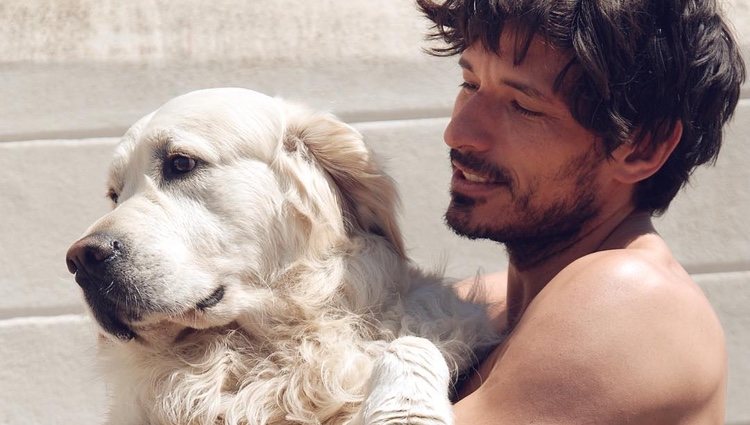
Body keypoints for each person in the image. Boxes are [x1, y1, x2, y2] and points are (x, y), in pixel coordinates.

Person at [414, 0, 746, 423]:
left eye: (523, 106)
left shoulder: (633, 298)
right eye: (470, 84)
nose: (457, 133)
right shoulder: (490, 302)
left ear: (641, 147)